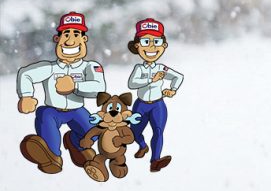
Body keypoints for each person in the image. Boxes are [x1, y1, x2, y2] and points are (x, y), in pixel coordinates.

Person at [16, 11, 106, 174]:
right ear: (57, 39)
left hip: (77, 110)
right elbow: (25, 74)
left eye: (76, 34)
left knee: (93, 134)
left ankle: (75, 143)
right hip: (53, 110)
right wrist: (26, 95)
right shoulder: (50, 68)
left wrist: (76, 86)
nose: (71, 41)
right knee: (46, 122)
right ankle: (51, 157)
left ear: (84, 39)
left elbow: (99, 87)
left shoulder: (89, 67)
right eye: (66, 35)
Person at [126, 17, 183, 172]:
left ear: (163, 46)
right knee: (133, 132)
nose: (151, 47)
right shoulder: (139, 68)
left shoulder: (162, 69)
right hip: (141, 105)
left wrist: (172, 89)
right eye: (146, 42)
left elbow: (178, 77)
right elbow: (132, 84)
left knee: (158, 131)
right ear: (137, 46)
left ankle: (155, 161)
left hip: (158, 105)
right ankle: (143, 146)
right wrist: (151, 80)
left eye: (156, 42)